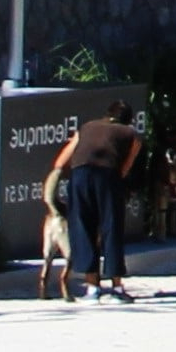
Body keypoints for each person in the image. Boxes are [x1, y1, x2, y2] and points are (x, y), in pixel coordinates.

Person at [55, 95, 145, 303]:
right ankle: (117, 287)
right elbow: (126, 167)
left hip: (79, 176)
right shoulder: (132, 134)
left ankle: (92, 288)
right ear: (128, 120)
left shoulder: (86, 127)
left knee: (83, 227)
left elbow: (61, 161)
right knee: (111, 228)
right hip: (108, 176)